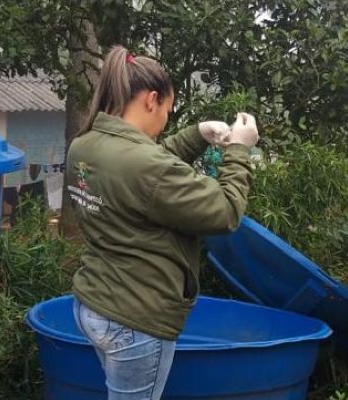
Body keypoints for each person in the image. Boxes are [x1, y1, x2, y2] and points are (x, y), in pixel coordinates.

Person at [64, 46, 259, 400]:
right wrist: (239, 150)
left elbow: (143, 174)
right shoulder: (144, 165)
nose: (167, 118)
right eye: (168, 110)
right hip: (135, 319)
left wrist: (196, 134)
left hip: (94, 303)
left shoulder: (85, 145)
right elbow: (226, 211)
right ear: (152, 100)